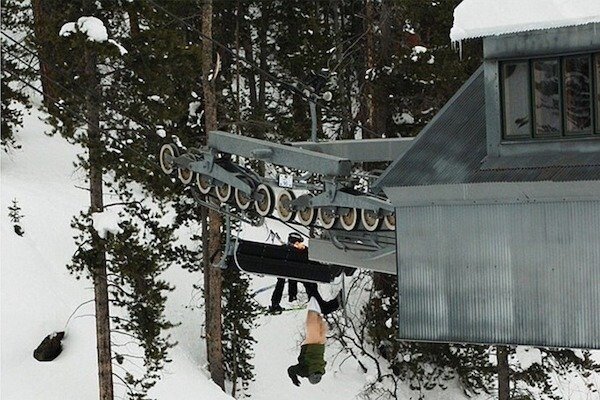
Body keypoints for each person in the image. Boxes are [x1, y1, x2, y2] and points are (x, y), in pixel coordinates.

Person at [287, 281, 342, 386]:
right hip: (312, 341)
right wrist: (294, 378)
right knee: (313, 310)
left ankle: (311, 286)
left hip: (321, 342)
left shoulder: (321, 369)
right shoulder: (306, 371)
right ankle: (311, 285)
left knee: (318, 310)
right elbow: (291, 370)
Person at [268, 233, 304, 314]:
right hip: (290, 270)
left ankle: (276, 302)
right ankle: (292, 296)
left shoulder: (284, 248)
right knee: (292, 275)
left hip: (282, 268)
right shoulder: (298, 252)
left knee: (282, 280)